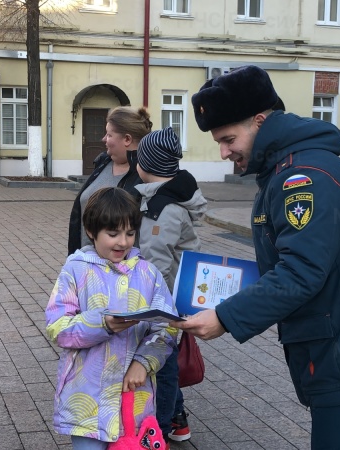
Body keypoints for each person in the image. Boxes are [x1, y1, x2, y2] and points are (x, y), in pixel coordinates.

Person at [172, 65, 340, 449]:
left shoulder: (303, 176)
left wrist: (226, 317)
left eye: (228, 139)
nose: (224, 152)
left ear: (260, 121)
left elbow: (301, 271)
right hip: (337, 346)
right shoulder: (284, 168)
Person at [46, 187, 178, 450]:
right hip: (86, 399)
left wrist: (144, 362)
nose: (123, 242)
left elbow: (166, 328)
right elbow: (58, 327)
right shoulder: (75, 270)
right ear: (91, 231)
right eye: (113, 233)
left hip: (133, 399)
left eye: (130, 233)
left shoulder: (148, 273)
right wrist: (102, 324)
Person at [133, 127, 207, 443]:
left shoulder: (160, 210)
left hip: (162, 303)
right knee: (165, 364)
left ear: (146, 164)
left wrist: (145, 310)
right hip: (171, 297)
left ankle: (158, 430)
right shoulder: (164, 200)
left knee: (161, 367)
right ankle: (176, 421)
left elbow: (156, 268)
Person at [67, 106, 152, 255]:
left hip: (120, 271)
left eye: (109, 134)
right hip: (87, 263)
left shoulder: (145, 177)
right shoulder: (103, 163)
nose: (104, 139)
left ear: (127, 139)